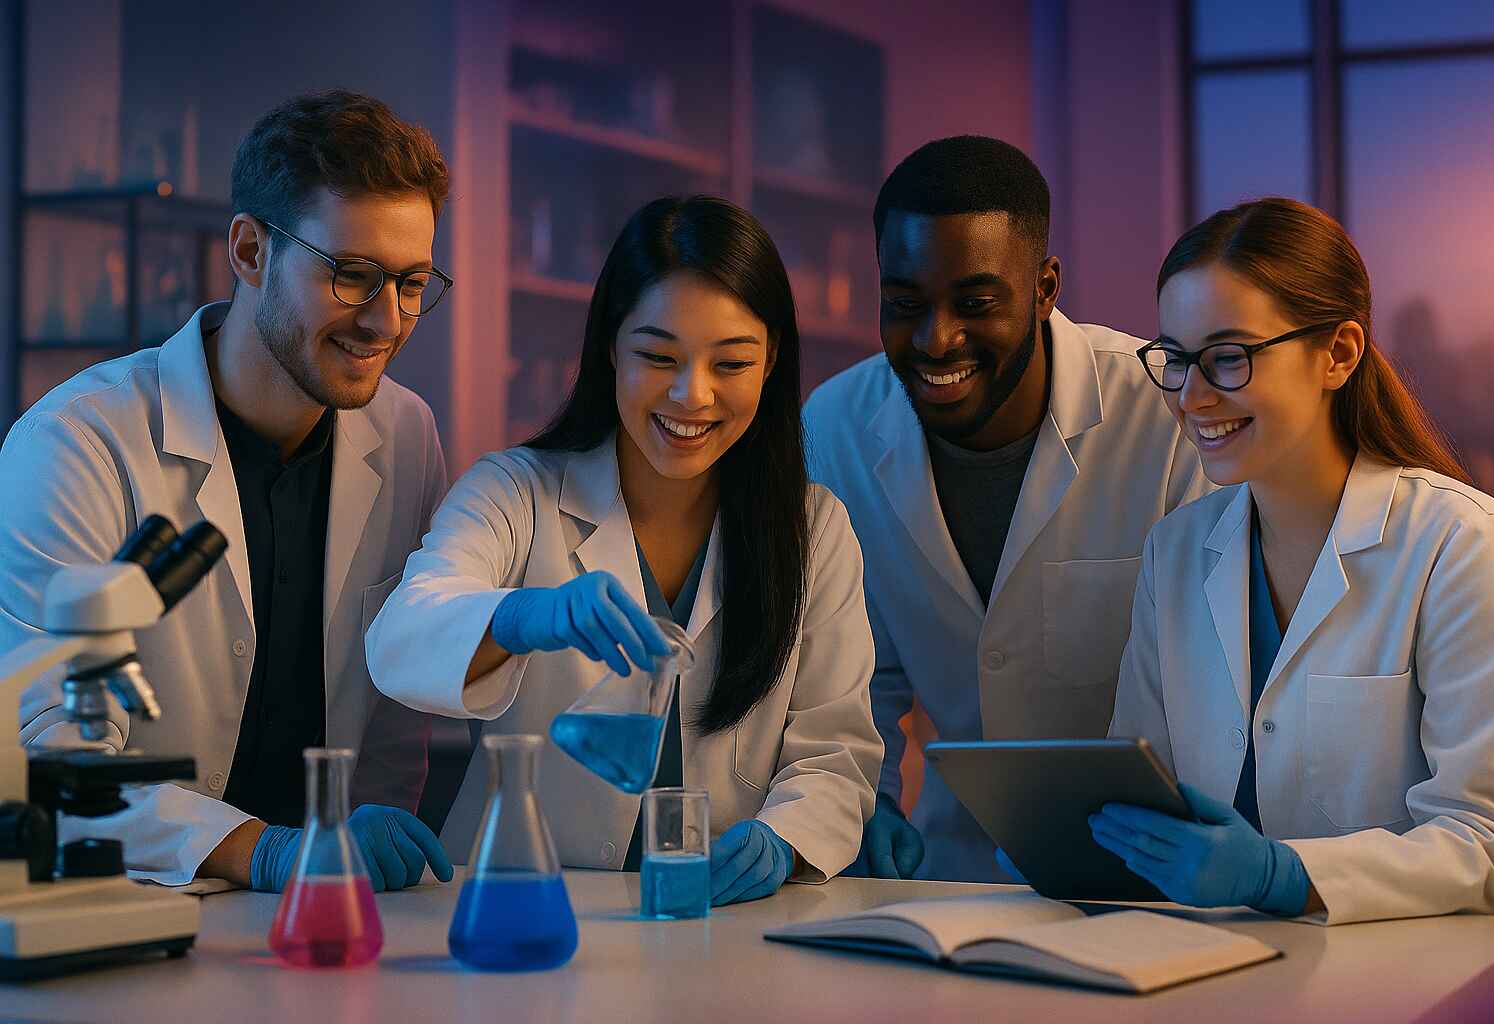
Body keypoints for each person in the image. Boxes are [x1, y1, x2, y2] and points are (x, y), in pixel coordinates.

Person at [367, 196, 882, 906]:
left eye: (731, 363)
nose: (691, 395)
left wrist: (785, 839)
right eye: (657, 355)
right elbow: (399, 642)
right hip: (518, 909)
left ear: (770, 365)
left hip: (722, 928)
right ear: (610, 347)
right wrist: (524, 617)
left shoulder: (814, 529)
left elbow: (835, 753)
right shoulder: (518, 490)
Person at [0, 91, 455, 892]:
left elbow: (392, 707)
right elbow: (50, 748)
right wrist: (271, 854)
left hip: (327, 915)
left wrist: (360, 865)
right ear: (249, 252)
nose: (386, 321)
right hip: (133, 903)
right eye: (353, 275)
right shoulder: (77, 441)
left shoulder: (407, 433)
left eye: (411, 282)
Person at [1095, 197, 1494, 924]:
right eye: (1175, 360)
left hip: (1403, 984)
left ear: (1338, 353)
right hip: (1206, 968)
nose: (1193, 396)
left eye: (1229, 358)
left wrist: (1281, 876)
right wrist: (1076, 839)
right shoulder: (1175, 552)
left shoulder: (1459, 543)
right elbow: (1143, 789)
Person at [802, 136, 1209, 881]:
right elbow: (856, 682)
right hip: (944, 873)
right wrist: (863, 812)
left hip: (1153, 874)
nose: (936, 339)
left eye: (975, 304)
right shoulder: (835, 426)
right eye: (904, 305)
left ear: (1046, 287)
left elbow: (1212, 681)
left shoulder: (1164, 414)